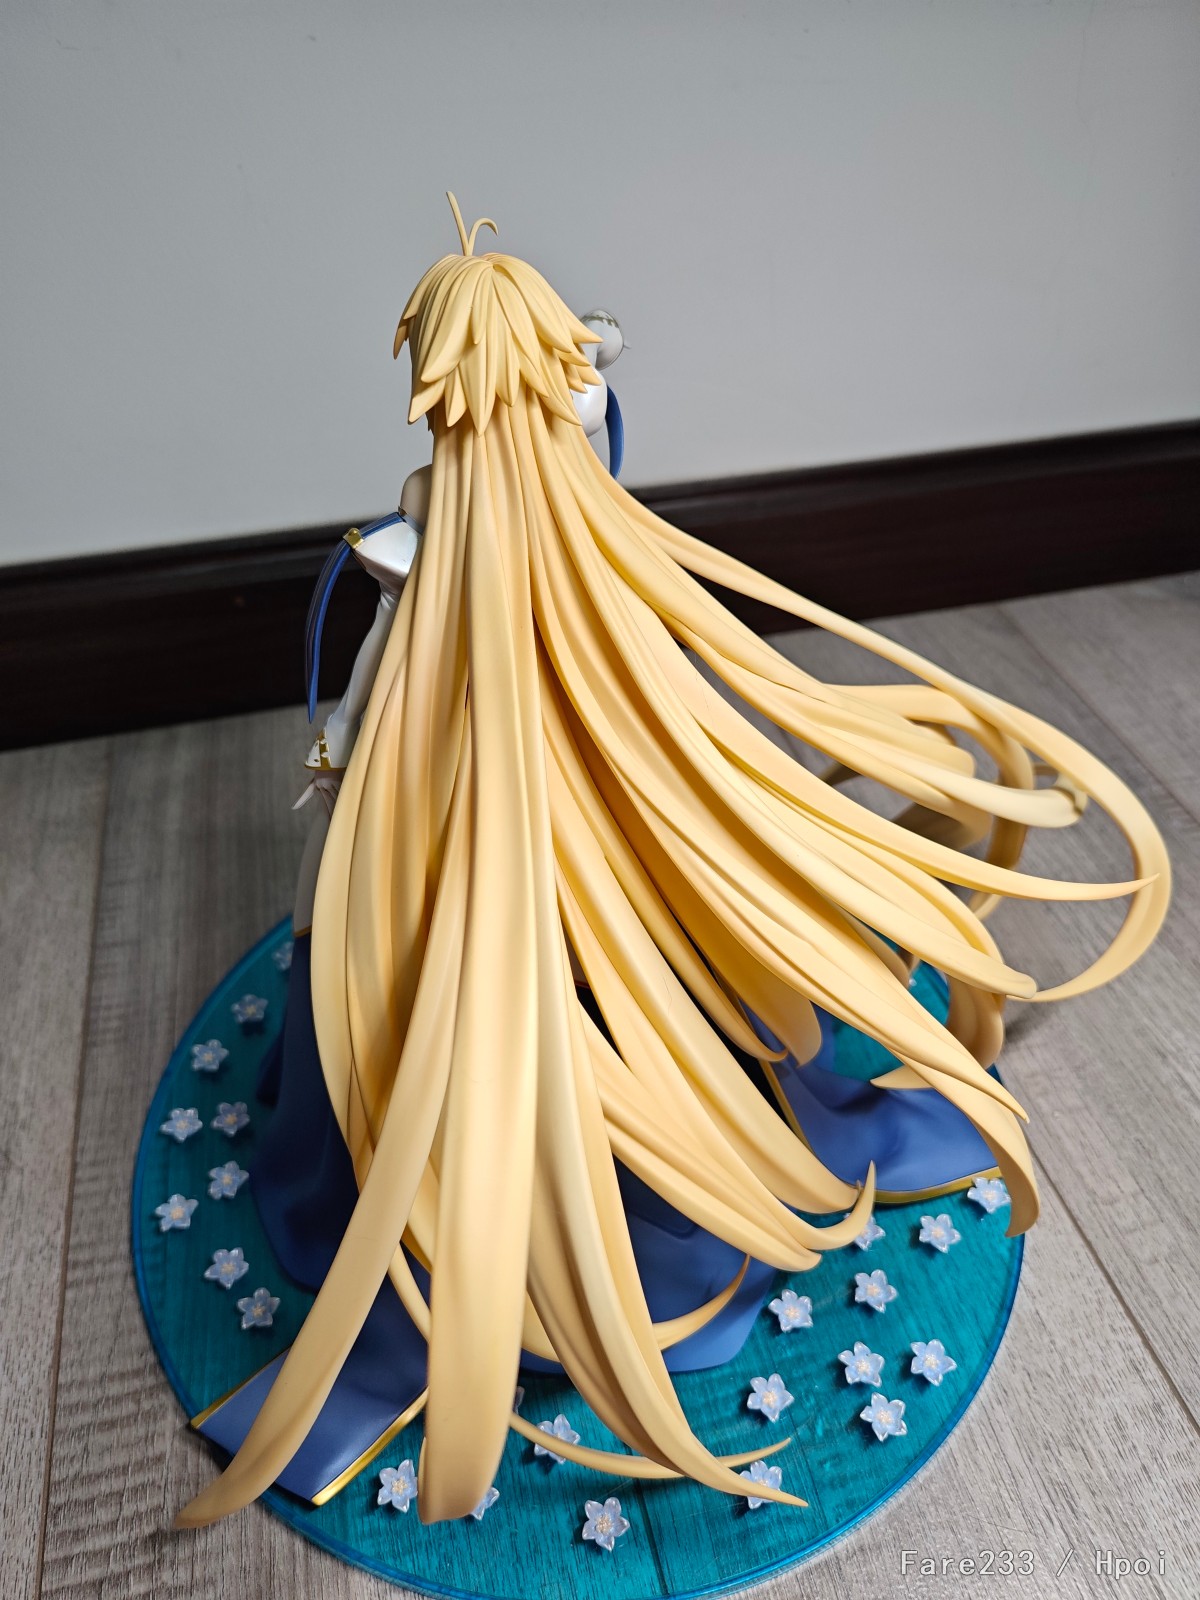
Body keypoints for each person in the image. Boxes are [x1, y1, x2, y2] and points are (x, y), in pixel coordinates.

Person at [178, 194, 1168, 1529]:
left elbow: (403, 689)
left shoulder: (518, 523)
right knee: (463, 1002)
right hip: (486, 860)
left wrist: (358, 767)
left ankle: (645, 1175)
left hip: (612, 839)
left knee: (635, 975)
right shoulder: (438, 544)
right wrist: (359, 788)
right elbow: (374, 709)